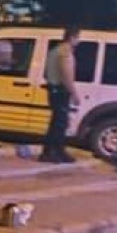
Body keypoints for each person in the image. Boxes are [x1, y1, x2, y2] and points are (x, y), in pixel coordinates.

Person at [41, 27, 81, 163]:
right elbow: (67, 74)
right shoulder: (65, 52)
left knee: (56, 122)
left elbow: (46, 73)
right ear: (72, 37)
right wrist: (74, 93)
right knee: (60, 124)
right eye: (77, 38)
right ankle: (55, 152)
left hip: (53, 90)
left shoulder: (54, 51)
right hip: (60, 91)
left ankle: (51, 151)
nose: (78, 41)